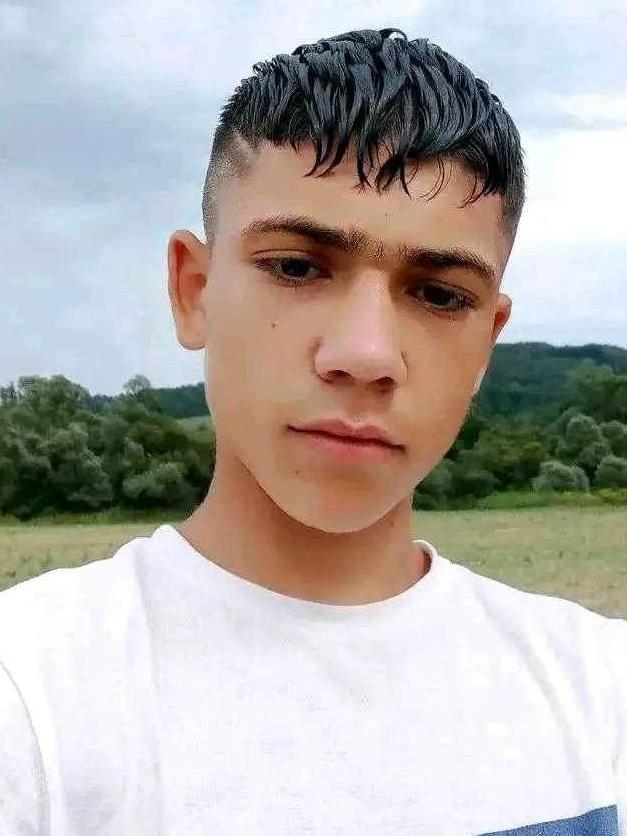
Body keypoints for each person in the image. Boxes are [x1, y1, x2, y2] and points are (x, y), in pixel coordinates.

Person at [0, 27, 625, 836]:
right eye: (296, 267)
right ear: (193, 291)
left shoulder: (600, 692)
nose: (364, 355)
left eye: (439, 295)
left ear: (486, 343)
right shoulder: (30, 698)